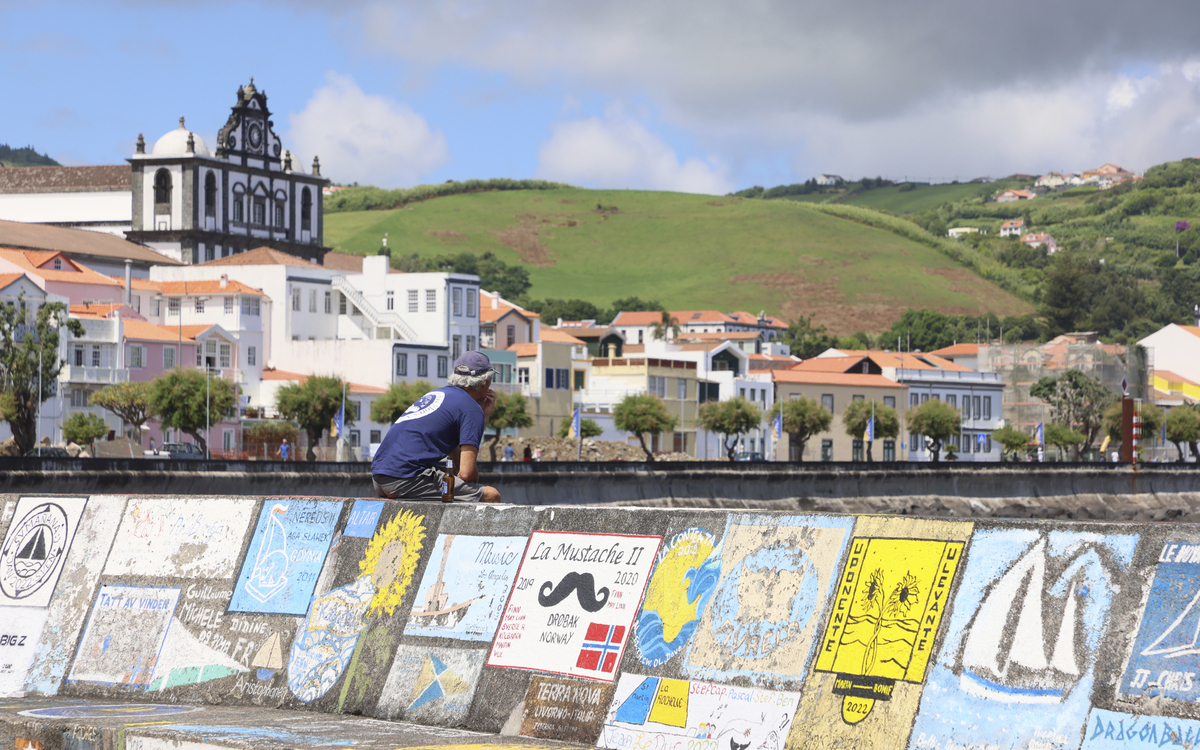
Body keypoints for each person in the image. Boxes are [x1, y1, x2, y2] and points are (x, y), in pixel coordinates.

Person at [371, 351, 501, 503]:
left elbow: (456, 460)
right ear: (485, 381)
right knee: (491, 495)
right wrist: (482, 415)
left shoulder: (437, 394)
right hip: (406, 479)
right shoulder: (471, 408)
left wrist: (482, 419)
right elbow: (466, 474)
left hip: (380, 479)